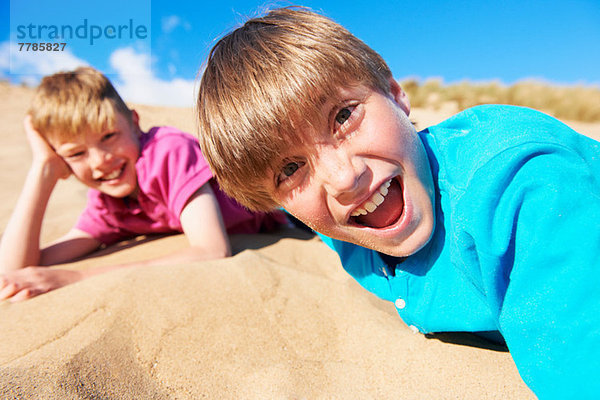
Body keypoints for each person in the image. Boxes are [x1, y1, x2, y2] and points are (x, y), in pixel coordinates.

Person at [195, 6, 600, 398]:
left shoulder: (519, 190)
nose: (344, 178)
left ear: (395, 94)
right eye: (290, 169)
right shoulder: (338, 223)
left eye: (343, 117)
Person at [0, 67, 285, 303]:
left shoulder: (167, 153)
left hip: (286, 218)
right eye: (76, 154)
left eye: (109, 136)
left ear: (135, 124)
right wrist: (43, 169)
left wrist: (77, 278)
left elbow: (212, 250)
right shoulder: (107, 204)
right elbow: (15, 269)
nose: (100, 161)